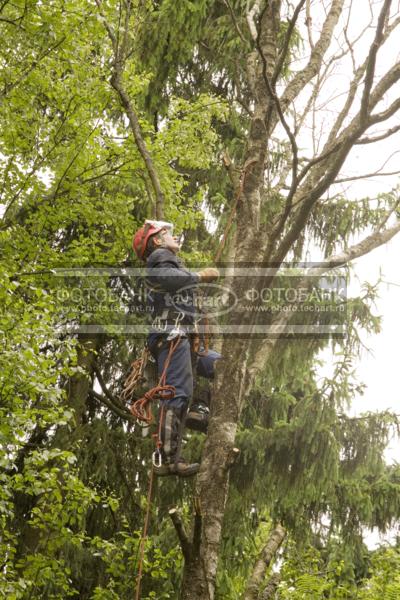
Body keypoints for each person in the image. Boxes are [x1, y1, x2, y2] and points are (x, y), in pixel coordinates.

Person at [133, 220, 221, 477]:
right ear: (157, 241)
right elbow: (167, 278)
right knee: (177, 392)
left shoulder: (167, 259)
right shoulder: (160, 258)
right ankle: (167, 458)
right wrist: (199, 276)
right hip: (172, 335)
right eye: (166, 233)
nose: (172, 236)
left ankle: (198, 410)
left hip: (184, 337)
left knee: (224, 366)